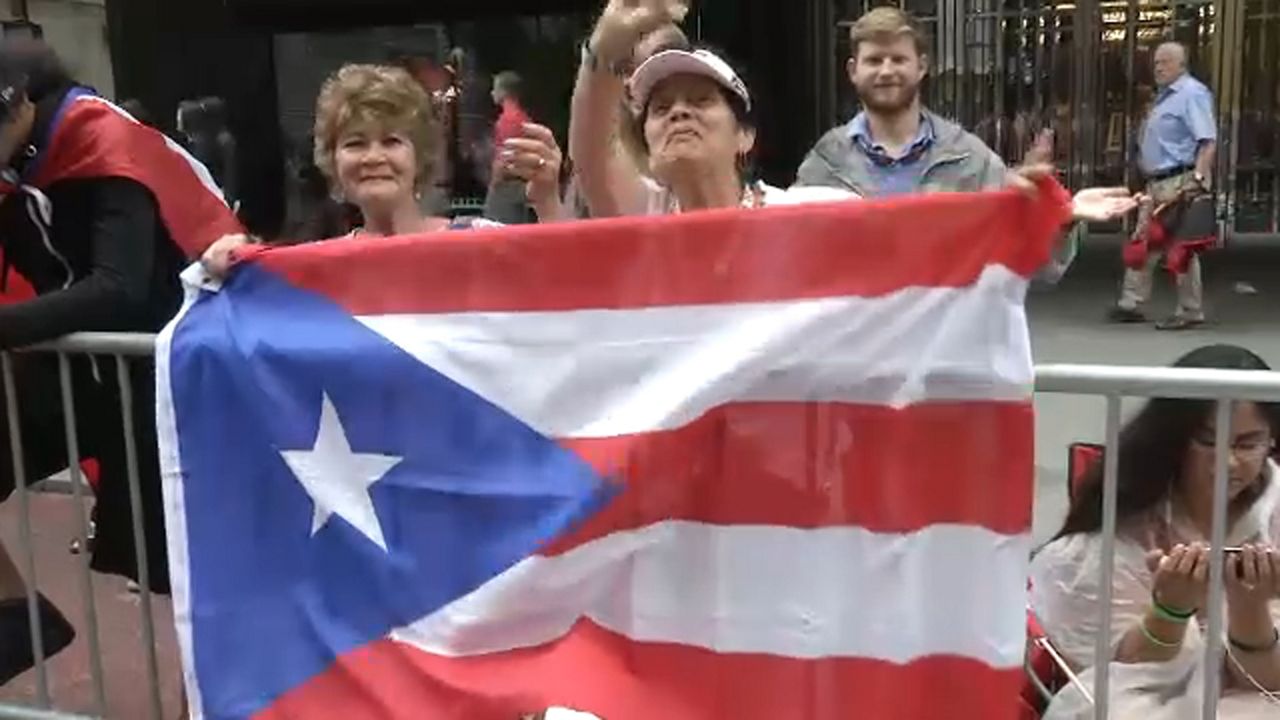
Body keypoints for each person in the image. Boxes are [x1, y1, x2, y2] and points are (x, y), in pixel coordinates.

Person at [0, 39, 241, 683]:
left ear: (18, 102)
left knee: (182, 565)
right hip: (77, 372)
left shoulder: (101, 141)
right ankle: (16, 622)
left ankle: (237, 692)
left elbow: (119, 287)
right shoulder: (16, 163)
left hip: (162, 380)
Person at [570, 1, 1133, 224]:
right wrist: (604, 47)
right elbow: (592, 156)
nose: (678, 115)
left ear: (745, 135)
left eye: (699, 101)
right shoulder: (645, 215)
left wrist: (1042, 213)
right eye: (662, 107)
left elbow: (917, 239)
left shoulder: (810, 214)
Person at [791, 7, 1132, 280]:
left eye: (898, 59)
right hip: (858, 354)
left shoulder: (968, 157)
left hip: (946, 353)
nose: (886, 70)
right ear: (853, 70)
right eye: (874, 60)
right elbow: (793, 251)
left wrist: (1060, 216)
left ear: (922, 66)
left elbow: (1032, 263)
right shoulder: (825, 161)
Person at [1031, 344, 1280, 718]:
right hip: (1149, 699)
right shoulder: (1126, 521)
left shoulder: (1274, 512)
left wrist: (1251, 610)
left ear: (1272, 440)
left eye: (1247, 444)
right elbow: (1110, 675)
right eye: (1207, 441)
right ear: (1174, 439)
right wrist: (1170, 611)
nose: (1228, 462)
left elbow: (1265, 681)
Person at [202, 63, 563, 273]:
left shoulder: (482, 241)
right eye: (355, 143)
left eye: (391, 141)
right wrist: (225, 273)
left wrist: (548, 203)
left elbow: (567, 282)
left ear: (419, 156)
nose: (373, 156)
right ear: (334, 162)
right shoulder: (318, 269)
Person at [1109, 41, 1217, 330]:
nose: (1158, 67)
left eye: (1166, 61)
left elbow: (1207, 140)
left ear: (1182, 65)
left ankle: (1190, 309)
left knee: (1180, 247)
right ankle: (1132, 302)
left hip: (1179, 180)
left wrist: (1197, 178)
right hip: (1156, 181)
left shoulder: (1191, 94)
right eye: (1156, 62)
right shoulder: (1164, 98)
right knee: (1144, 240)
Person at [485, 71, 537, 224]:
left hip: (508, 187)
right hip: (521, 185)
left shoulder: (508, 120)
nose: (492, 92)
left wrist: (493, 184)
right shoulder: (524, 118)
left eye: (495, 88)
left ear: (503, 92)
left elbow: (504, 159)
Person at [177, 96, 240, 210]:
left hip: (216, 196)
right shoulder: (204, 140)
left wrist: (228, 199)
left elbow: (229, 173)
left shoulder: (223, 140)